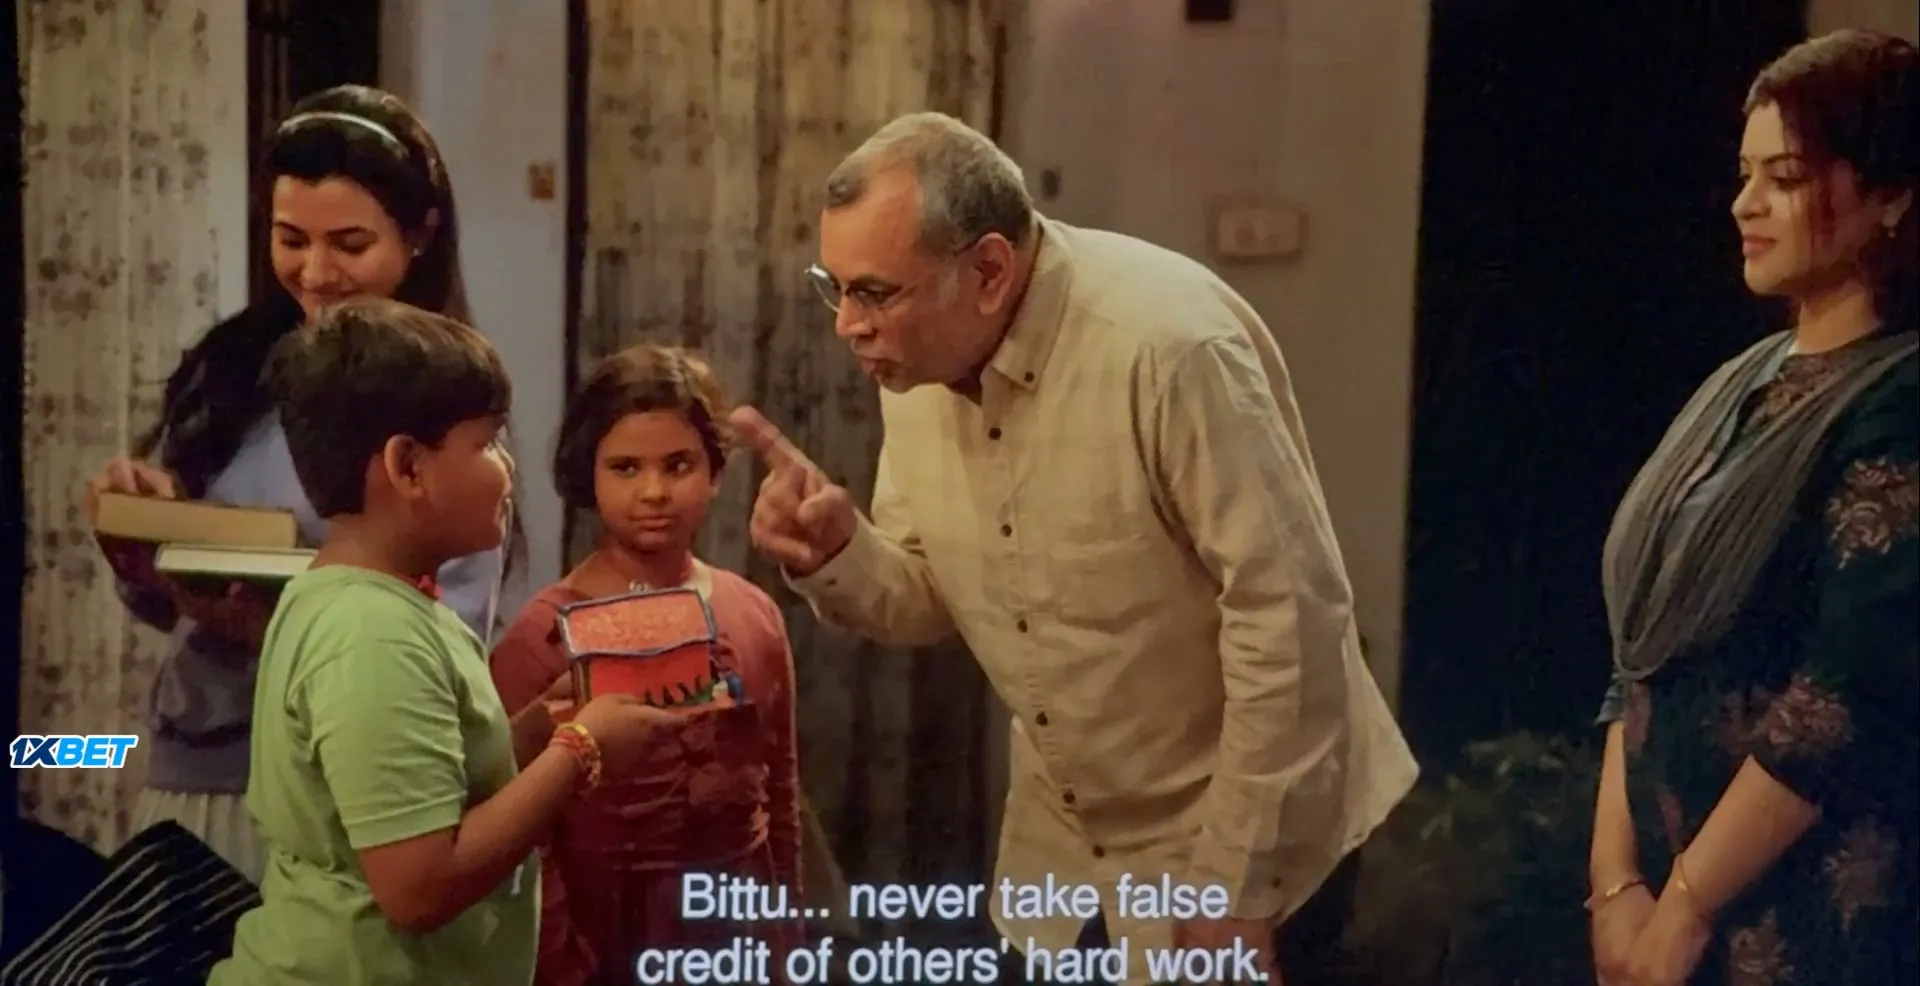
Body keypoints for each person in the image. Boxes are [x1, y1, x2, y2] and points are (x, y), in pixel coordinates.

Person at [731, 111, 1419, 984]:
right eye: (836, 289)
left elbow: (1291, 621)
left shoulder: (1169, 347)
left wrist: (1234, 891)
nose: (849, 327)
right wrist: (836, 553)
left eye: (874, 293)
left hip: (1249, 837)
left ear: (988, 271)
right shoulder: (916, 361)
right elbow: (929, 595)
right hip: (1064, 851)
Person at [79, 84, 510, 883]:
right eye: (290, 240)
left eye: (349, 243)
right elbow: (161, 607)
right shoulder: (232, 371)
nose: (315, 272)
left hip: (348, 789)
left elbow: (444, 645)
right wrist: (144, 549)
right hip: (198, 768)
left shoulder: (444, 402)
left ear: (420, 235)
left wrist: (261, 626)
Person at [209, 298, 689, 984]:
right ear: (407, 467)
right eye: (486, 443)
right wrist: (582, 751)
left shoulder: (361, 600)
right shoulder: (372, 634)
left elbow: (420, 791)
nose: (507, 468)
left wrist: (535, 732)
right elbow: (418, 888)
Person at [1587, 30, 1918, 986]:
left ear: (1892, 195)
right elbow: (1643, 655)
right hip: (1661, 900)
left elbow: (1849, 691)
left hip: (1811, 919)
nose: (1745, 204)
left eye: (1786, 177)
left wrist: (1686, 906)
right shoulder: (1739, 384)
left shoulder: (1898, 397)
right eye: (1744, 175)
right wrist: (1615, 887)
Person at [490, 345, 802, 986]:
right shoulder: (543, 636)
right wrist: (561, 960)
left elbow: (780, 794)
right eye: (625, 468)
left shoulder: (754, 614)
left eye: (678, 465)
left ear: (715, 472)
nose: (654, 492)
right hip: (603, 938)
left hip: (736, 930)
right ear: (590, 474)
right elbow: (519, 832)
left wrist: (785, 946)